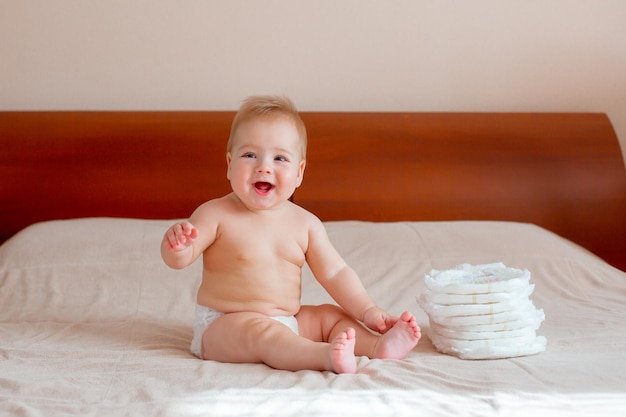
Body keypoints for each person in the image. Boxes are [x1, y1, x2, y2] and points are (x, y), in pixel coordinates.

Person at [161, 95, 420, 373]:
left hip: (287, 319)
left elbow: (335, 273)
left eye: (280, 158)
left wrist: (367, 311)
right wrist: (176, 246)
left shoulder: (305, 223)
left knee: (330, 317)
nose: (264, 166)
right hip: (223, 326)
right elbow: (180, 259)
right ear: (229, 164)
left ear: (299, 173)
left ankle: (376, 347)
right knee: (262, 334)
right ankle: (321, 356)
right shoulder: (215, 214)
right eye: (250, 155)